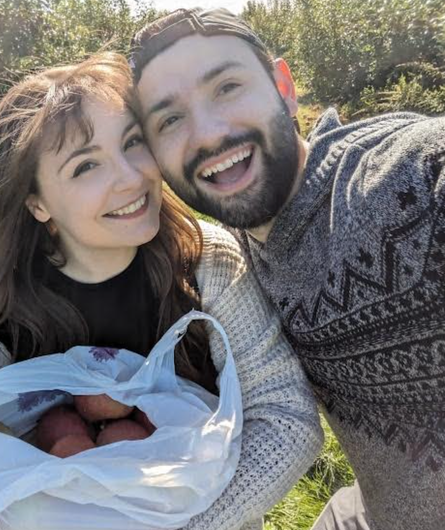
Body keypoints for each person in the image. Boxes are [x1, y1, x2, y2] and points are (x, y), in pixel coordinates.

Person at [0, 52, 322, 530]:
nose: (129, 177)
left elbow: (286, 418)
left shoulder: (207, 264)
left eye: (133, 142)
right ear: (36, 202)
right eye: (85, 167)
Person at [130, 7, 445, 530]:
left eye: (227, 87)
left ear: (284, 86)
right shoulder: (228, 259)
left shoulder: (405, 184)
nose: (207, 134)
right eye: (170, 120)